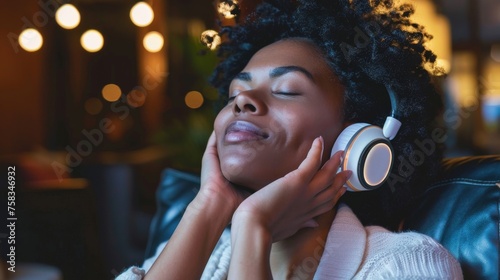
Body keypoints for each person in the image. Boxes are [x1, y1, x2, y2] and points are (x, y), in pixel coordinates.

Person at [117, 0, 463, 279]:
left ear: (353, 142)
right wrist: (208, 207)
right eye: (236, 92)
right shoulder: (195, 251)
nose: (242, 100)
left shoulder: (405, 266)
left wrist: (254, 228)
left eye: (287, 90)